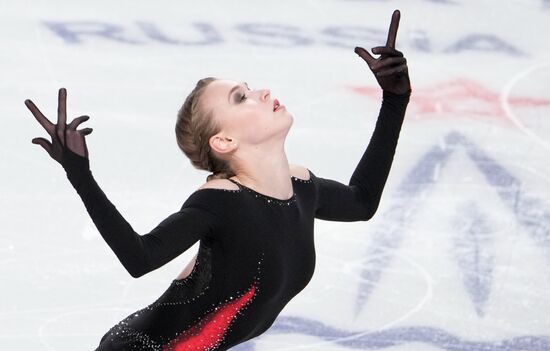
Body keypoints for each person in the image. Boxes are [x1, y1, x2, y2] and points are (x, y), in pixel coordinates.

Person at [24, 9, 411, 351]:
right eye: (241, 98)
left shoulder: (303, 188)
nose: (263, 92)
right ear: (224, 141)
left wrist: (395, 99)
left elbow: (362, 203)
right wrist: (80, 175)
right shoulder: (220, 202)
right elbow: (140, 258)